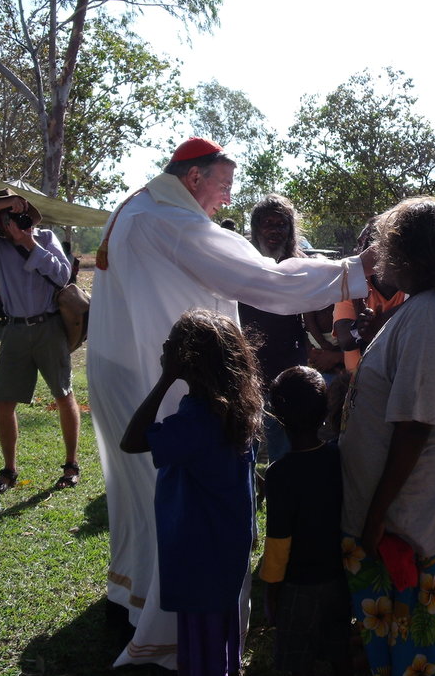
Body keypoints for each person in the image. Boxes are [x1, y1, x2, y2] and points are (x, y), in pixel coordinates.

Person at [86, 137, 372, 669]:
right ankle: (170, 623)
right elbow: (263, 280)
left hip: (127, 371)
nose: (225, 200)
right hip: (161, 376)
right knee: (176, 501)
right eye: (223, 186)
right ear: (194, 178)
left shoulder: (139, 206)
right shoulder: (169, 220)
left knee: (145, 499)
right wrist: (357, 271)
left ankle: (133, 597)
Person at [339, 198, 435, 676]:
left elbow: (415, 425)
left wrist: (375, 515)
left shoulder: (428, 316)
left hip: (417, 513)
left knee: (423, 641)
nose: (379, 256)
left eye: (387, 246)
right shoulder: (433, 306)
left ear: (411, 254)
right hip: (421, 502)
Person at [120, 310, 260, 676]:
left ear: (188, 361)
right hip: (225, 541)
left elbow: (131, 441)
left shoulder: (198, 420)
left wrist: (166, 378)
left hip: (199, 547)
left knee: (203, 646)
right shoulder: (238, 407)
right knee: (220, 637)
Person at [0, 189, 81, 494]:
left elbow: (64, 276)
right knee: (4, 401)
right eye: (8, 216)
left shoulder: (47, 238)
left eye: (19, 213)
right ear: (0, 222)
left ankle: (71, 465)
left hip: (49, 326)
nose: (15, 220)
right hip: (14, 330)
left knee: (63, 394)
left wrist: (30, 243)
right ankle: (9, 470)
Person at [259, 366, 350, 676]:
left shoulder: (279, 474)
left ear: (278, 416)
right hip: (341, 578)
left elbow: (278, 541)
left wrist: (272, 590)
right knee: (340, 650)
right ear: (325, 409)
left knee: (293, 659)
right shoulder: (339, 457)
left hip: (299, 586)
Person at [237, 195, 312, 463]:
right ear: (256, 227)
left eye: (281, 224)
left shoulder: (299, 263)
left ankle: (280, 493)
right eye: (268, 223)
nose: (275, 230)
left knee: (282, 445)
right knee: (244, 442)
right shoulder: (240, 260)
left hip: (287, 366)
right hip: (246, 364)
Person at [333, 219, 405, 374]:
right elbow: (345, 340)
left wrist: (371, 326)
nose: (358, 249)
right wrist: (361, 327)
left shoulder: (413, 289)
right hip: (356, 381)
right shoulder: (351, 285)